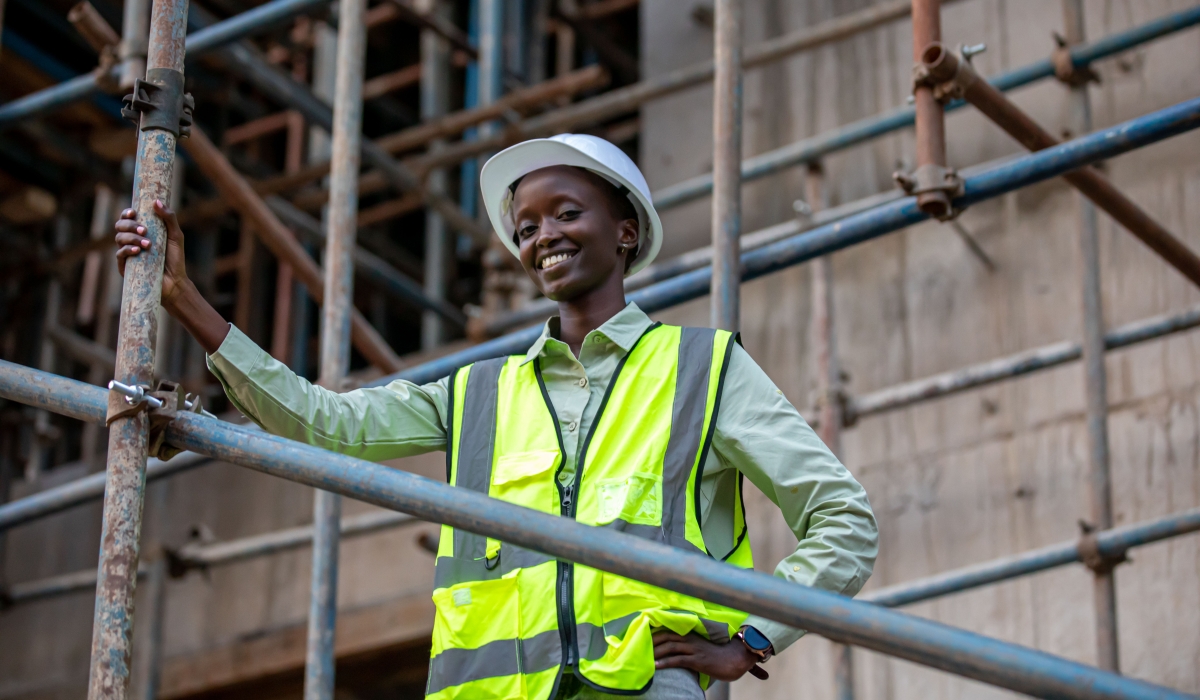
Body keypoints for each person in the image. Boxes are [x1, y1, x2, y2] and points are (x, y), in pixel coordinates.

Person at [115, 134, 878, 700]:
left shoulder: (702, 370)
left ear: (626, 230)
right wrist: (187, 303)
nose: (543, 237)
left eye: (566, 213)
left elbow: (843, 519)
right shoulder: (479, 393)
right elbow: (328, 426)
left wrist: (750, 639)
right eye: (526, 227)